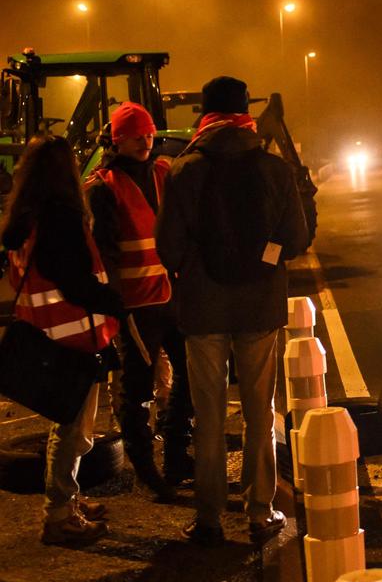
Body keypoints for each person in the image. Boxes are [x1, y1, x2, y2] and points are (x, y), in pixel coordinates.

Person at [156, 76, 309, 547]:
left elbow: (168, 247)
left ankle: (209, 519)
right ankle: (260, 513)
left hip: (203, 310)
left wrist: (200, 269)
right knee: (260, 411)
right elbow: (297, 239)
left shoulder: (185, 170)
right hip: (260, 307)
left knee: (209, 415)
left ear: (203, 115)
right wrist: (262, 260)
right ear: (245, 113)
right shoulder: (274, 168)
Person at [2, 136, 125, 545]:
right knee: (74, 431)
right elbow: (73, 281)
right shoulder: (61, 217)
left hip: (44, 334)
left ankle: (68, 497)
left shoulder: (24, 217)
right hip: (73, 338)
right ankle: (59, 515)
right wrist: (112, 301)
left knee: (67, 426)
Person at [86, 102, 193, 502]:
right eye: (136, 135)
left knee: (191, 377)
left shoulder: (166, 172)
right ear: (118, 139)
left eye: (149, 133)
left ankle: (178, 457)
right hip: (136, 306)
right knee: (137, 391)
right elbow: (104, 253)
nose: (146, 140)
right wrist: (116, 309)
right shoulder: (103, 187)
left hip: (172, 297)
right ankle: (148, 472)